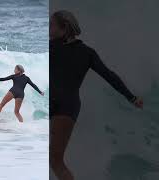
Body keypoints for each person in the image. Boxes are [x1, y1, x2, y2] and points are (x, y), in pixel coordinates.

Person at [49, 10, 144, 180]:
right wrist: (131, 98)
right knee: (52, 158)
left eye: (51, 26)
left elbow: (108, 75)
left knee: (55, 160)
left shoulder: (55, 48)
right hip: (65, 105)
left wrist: (131, 97)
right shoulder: (86, 52)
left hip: (61, 105)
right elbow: (109, 75)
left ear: (64, 28)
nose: (48, 30)